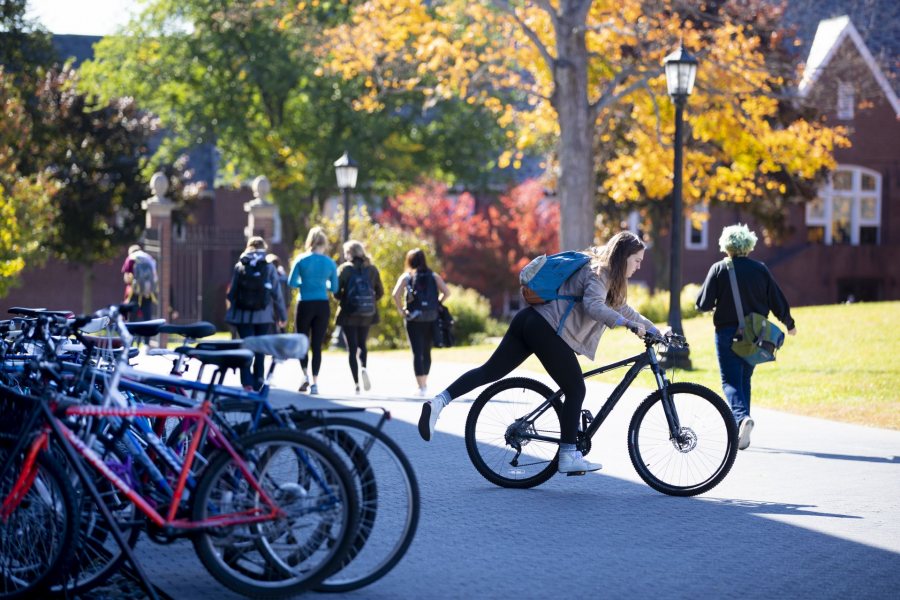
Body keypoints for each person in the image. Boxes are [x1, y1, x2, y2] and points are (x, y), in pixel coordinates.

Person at [418, 231, 659, 475]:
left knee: (489, 371)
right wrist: (626, 324)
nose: (639, 266)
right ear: (623, 257)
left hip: (530, 320)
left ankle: (438, 402)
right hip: (545, 329)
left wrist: (655, 330)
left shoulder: (605, 274)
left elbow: (623, 308)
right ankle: (568, 455)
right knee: (576, 388)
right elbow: (593, 305)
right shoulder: (600, 272)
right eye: (637, 260)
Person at [695, 223, 797, 451]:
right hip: (755, 336)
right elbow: (776, 299)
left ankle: (741, 420)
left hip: (728, 334)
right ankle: (742, 429)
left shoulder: (720, 268)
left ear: (726, 245)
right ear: (749, 245)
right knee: (744, 379)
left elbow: (702, 304)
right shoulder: (760, 269)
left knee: (730, 381)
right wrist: (789, 324)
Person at [225, 236, 287, 391]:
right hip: (263, 315)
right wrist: (282, 316)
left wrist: (233, 308)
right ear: (263, 247)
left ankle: (246, 382)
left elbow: (232, 293)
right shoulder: (268, 266)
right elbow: (276, 293)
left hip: (242, 315)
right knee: (260, 348)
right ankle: (258, 379)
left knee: (246, 347)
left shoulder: (240, 265)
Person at [391, 248, 451, 397]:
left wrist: (402, 310)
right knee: (427, 351)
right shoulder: (433, 276)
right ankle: (424, 382)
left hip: (414, 318)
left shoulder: (407, 277)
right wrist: (437, 304)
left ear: (409, 261)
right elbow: (447, 292)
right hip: (431, 317)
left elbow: (395, 294)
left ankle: (421, 386)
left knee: (417, 352)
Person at [288, 227, 338, 395]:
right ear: (324, 244)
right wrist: (323, 284)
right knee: (317, 345)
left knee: (303, 342)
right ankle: (315, 383)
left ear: (309, 242)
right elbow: (335, 287)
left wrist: (305, 284)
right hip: (322, 304)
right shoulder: (330, 263)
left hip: (304, 303)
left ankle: (305, 375)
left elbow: (292, 282)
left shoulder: (301, 260)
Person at [334, 240, 385, 394]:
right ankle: (364, 368)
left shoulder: (344, 269)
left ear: (349, 253)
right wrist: (368, 303)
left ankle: (356, 383)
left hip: (348, 313)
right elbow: (380, 292)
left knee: (351, 348)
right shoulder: (372, 269)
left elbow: (336, 292)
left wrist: (346, 299)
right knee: (362, 344)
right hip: (367, 314)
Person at [121, 243, 158, 322]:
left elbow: (127, 278)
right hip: (147, 292)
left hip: (133, 292)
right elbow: (154, 277)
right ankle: (148, 333)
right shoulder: (149, 258)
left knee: (131, 318)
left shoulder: (131, 258)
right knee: (147, 317)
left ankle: (131, 333)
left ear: (130, 252)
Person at [266, 253, 290, 333]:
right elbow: (287, 296)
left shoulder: (267, 277)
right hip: (280, 308)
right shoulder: (283, 277)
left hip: (271, 309)